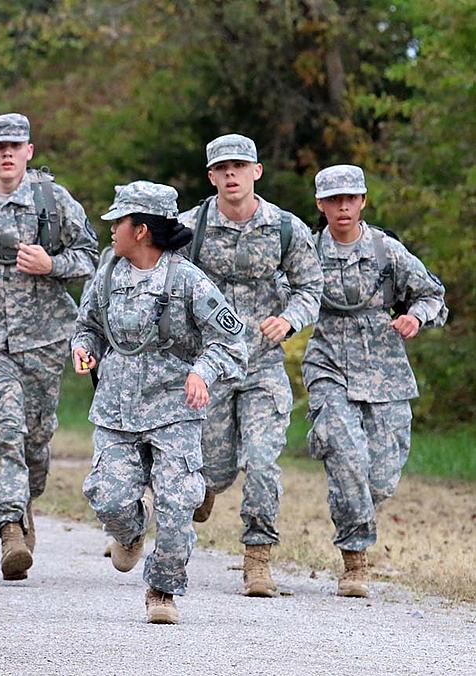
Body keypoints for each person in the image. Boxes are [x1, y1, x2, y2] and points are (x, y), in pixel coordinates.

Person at [73, 181, 247, 623]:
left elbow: (230, 340)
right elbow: (88, 324)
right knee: (109, 498)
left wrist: (201, 371)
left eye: (120, 222)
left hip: (174, 411)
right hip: (116, 409)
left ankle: (162, 591)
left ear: (143, 230)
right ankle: (128, 534)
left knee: (175, 504)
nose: (111, 229)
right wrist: (84, 347)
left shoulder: (187, 280)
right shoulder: (108, 273)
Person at [178, 133, 323, 596]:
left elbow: (310, 288)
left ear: (256, 172)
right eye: (222, 169)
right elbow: (160, 277)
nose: (231, 175)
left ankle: (257, 559)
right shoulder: (189, 228)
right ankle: (202, 493)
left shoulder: (286, 228)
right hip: (212, 366)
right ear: (211, 177)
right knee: (214, 472)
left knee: (262, 462)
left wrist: (290, 319)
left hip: (262, 366)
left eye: (239, 166)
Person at [0, 112, 98, 581]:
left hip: (44, 336)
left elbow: (92, 258)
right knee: (3, 429)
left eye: (15, 146)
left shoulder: (53, 201)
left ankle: (26, 500)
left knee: (36, 438)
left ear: (29, 151)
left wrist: (51, 263)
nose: (7, 155)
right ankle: (10, 527)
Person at [302, 165, 447, 597]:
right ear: (320, 205)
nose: (342, 207)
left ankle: (354, 509)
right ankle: (355, 563)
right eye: (333, 200)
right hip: (329, 364)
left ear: (363, 201)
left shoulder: (386, 250)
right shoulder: (308, 253)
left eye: (350, 198)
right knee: (346, 456)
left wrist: (415, 317)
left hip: (385, 371)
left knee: (381, 478)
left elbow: (433, 295)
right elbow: (283, 296)